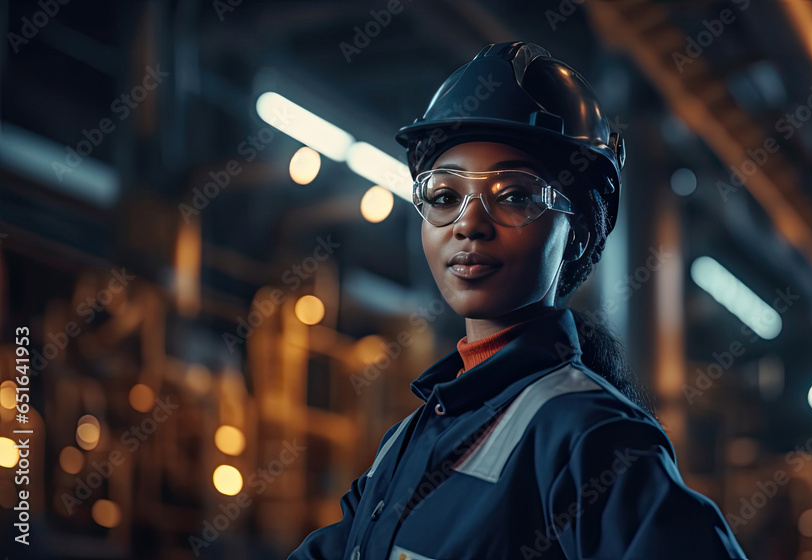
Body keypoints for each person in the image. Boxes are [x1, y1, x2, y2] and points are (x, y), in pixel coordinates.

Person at [289, 41, 746, 560]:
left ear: (575, 232)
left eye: (515, 195)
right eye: (444, 196)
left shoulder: (593, 439)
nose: (469, 223)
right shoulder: (405, 442)